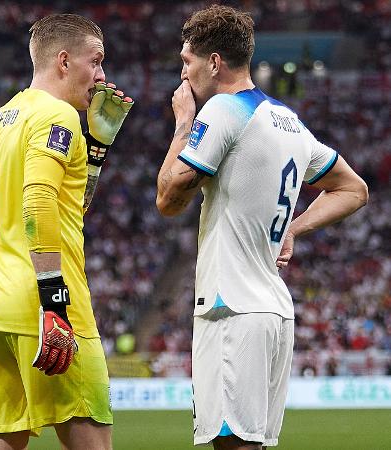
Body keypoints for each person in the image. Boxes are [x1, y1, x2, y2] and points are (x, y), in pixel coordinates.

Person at [156, 5, 368, 450]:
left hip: (231, 307)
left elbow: (168, 200)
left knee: (233, 445)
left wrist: (182, 124)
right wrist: (294, 228)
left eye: (186, 61)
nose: (183, 73)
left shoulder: (223, 111)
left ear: (214, 62)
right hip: (272, 309)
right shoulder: (288, 121)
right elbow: (353, 189)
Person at [0, 14, 133, 450]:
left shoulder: (0, 118)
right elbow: (38, 202)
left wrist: (94, 150)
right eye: (95, 62)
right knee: (91, 439)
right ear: (63, 60)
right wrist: (54, 301)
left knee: (0, 441)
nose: (101, 76)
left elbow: (66, 210)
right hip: (45, 304)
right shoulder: (56, 116)